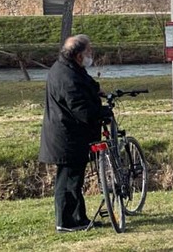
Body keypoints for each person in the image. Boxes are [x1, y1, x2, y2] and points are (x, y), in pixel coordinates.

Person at [39, 34, 104, 232]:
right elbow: (80, 108)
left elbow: (86, 85)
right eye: (88, 52)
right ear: (77, 55)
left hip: (70, 134)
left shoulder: (67, 68)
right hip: (67, 136)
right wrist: (101, 113)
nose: (90, 55)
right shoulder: (67, 76)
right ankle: (65, 222)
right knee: (68, 180)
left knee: (74, 179)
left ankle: (78, 217)